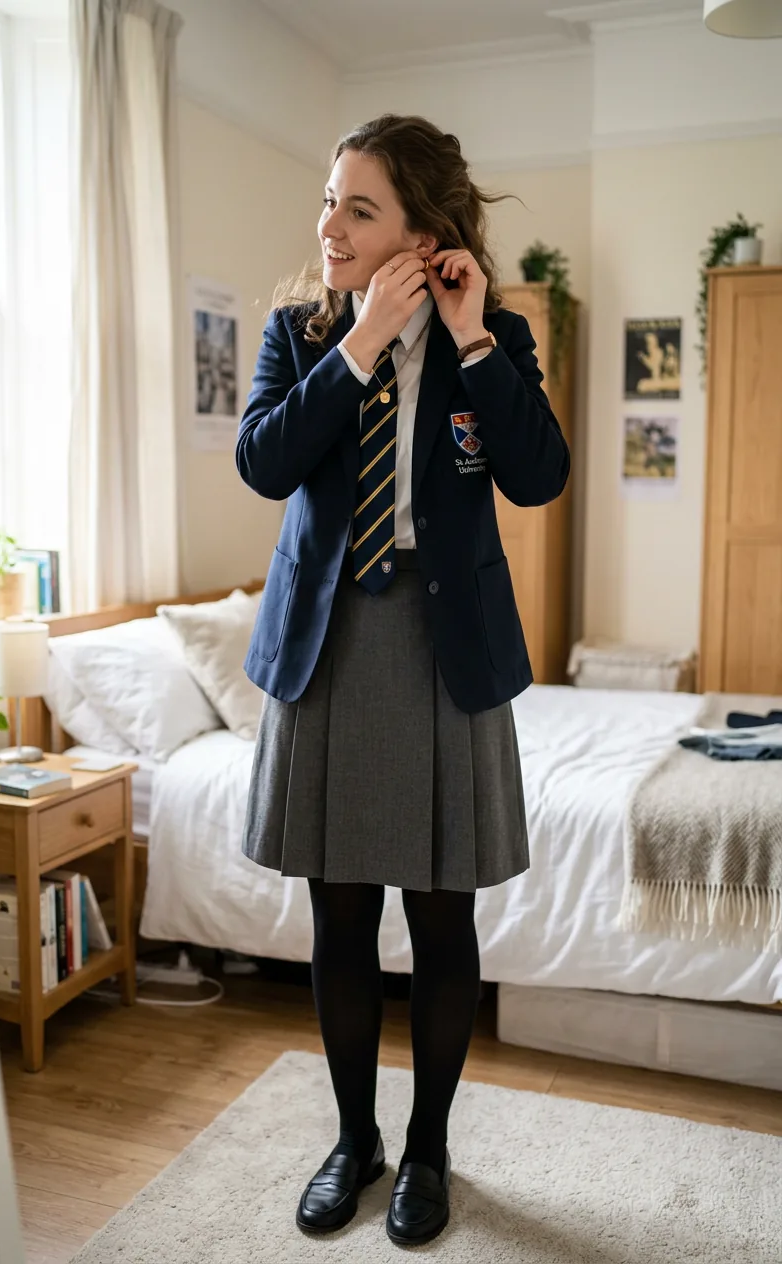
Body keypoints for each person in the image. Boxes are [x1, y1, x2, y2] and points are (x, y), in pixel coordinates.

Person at [235, 113, 570, 1248]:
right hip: (326, 645)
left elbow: (537, 476)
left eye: (359, 207)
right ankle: (354, 1140)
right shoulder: (298, 334)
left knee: (440, 916)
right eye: (329, 199)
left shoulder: (495, 335)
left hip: (445, 647)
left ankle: (427, 1149)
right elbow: (264, 461)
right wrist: (359, 344)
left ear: (422, 233)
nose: (329, 225)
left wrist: (470, 341)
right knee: (338, 912)